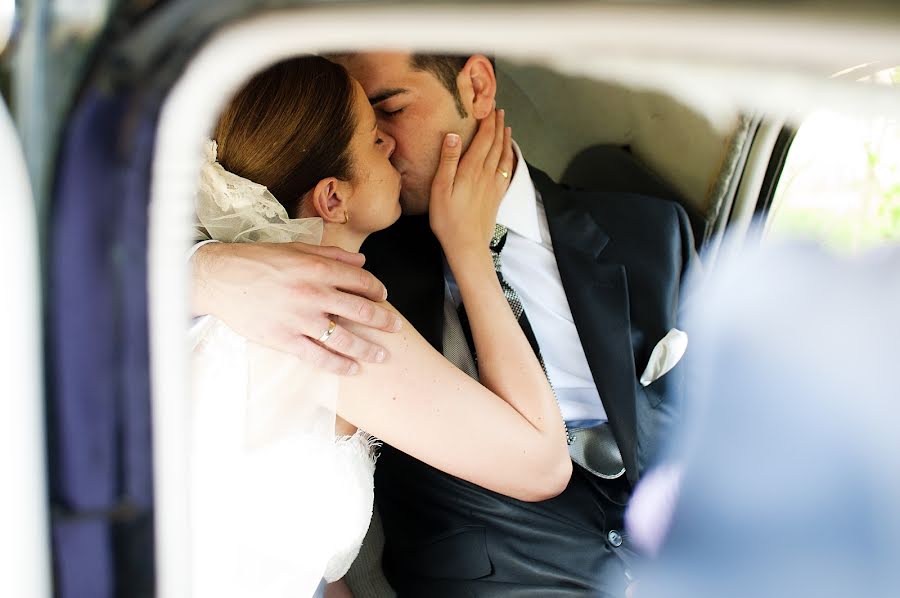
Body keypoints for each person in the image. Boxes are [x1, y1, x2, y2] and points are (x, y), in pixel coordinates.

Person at [192, 52, 697, 596]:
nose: (384, 141)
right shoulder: (335, 306)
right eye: (370, 129)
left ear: (478, 86)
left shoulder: (655, 233)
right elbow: (540, 463)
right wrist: (469, 249)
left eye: (390, 109)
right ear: (332, 196)